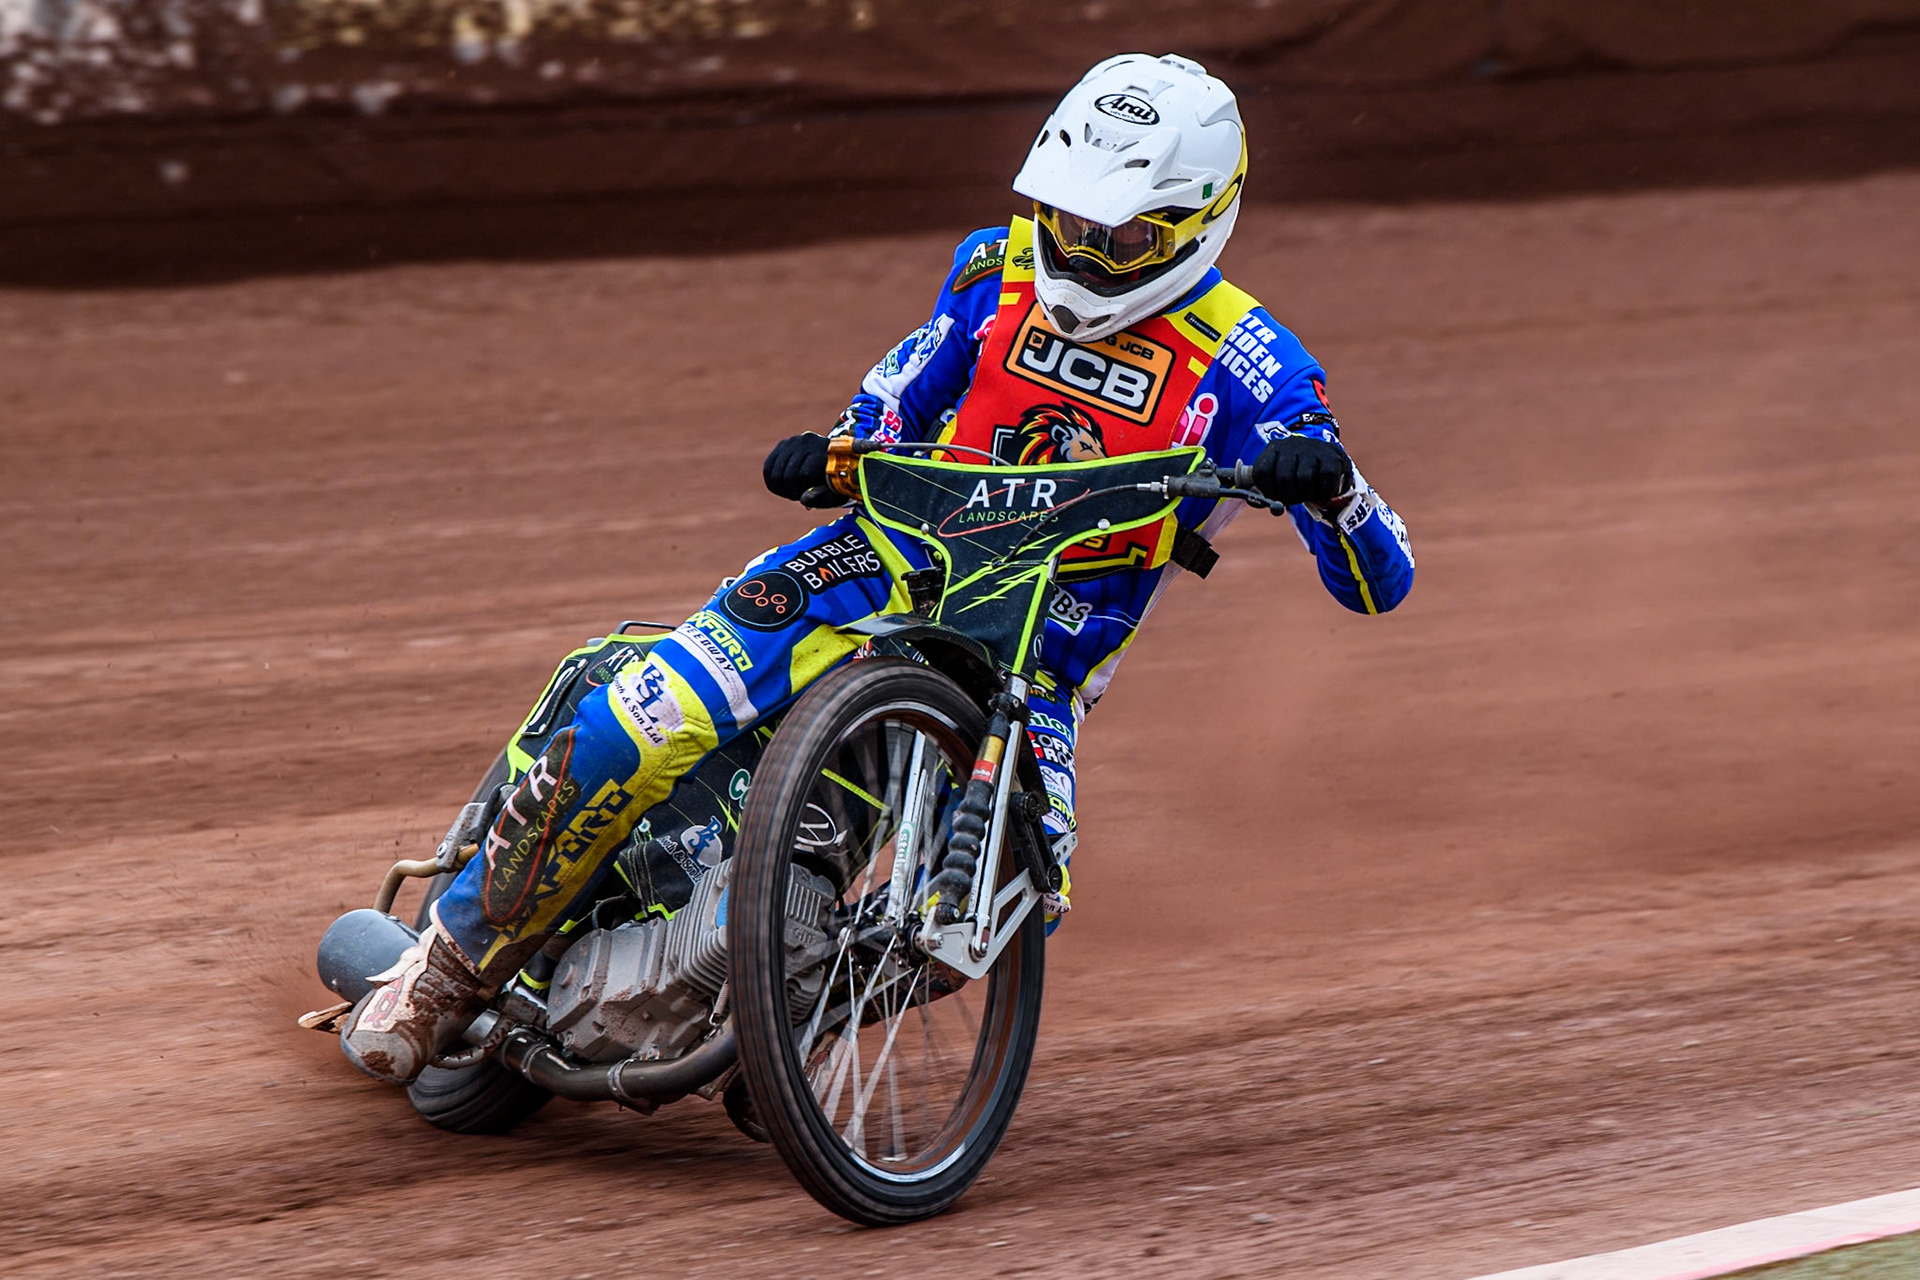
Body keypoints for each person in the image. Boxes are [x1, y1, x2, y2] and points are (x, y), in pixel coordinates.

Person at [340, 52, 1415, 1084]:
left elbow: (1382, 580)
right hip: (878, 558)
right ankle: (441, 969)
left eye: (1118, 231)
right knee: (638, 717)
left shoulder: (1257, 364)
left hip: (1033, 657)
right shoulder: (992, 269)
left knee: (1006, 896)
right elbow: (897, 396)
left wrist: (1334, 488)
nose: (1080, 248)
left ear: (1193, 222)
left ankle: (793, 1013)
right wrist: (835, 450)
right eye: (1066, 215)